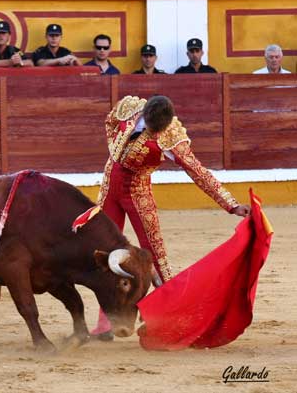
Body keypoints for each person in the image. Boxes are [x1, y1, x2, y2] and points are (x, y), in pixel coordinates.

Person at [83, 95, 250, 340]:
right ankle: (107, 322)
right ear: (143, 115)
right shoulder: (129, 108)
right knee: (104, 253)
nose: (153, 134)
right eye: (151, 129)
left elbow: (199, 173)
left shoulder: (171, 138)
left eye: (156, 131)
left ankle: (170, 318)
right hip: (110, 186)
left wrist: (232, 204)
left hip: (137, 191)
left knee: (156, 256)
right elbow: (109, 121)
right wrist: (114, 150)